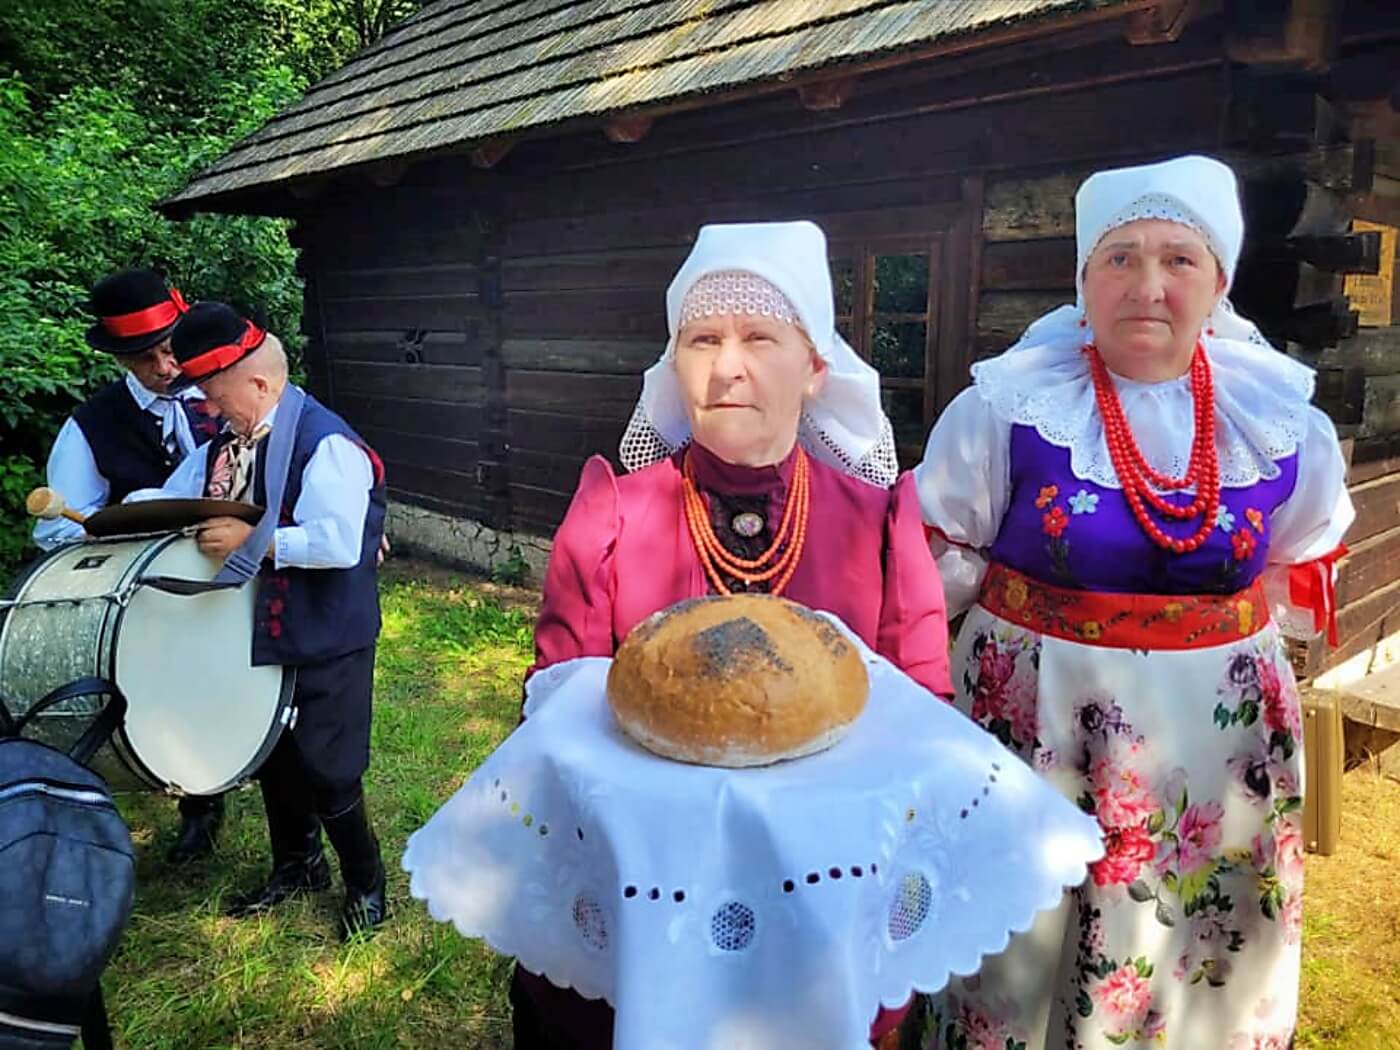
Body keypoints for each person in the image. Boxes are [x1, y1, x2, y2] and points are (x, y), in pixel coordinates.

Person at [914, 155, 1353, 1049]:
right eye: (1119, 258)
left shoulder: (1279, 423)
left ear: (1219, 280)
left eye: (1178, 259)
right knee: (1018, 953)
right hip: (1037, 726)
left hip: (1214, 744)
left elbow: (1296, 559)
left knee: (1194, 955)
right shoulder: (1007, 409)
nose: (1147, 285)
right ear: (1083, 279)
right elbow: (938, 556)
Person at [511, 221, 953, 1048]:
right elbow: (557, 721)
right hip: (644, 908)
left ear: (817, 367)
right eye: (702, 339)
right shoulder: (611, 513)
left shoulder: (879, 524)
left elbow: (922, 727)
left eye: (760, 337)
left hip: (824, 910)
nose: (727, 366)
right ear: (674, 368)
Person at [133, 301, 390, 940]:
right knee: (272, 752)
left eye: (217, 397)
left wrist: (258, 541)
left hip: (331, 633)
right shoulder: (231, 441)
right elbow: (176, 494)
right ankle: (298, 865)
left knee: (330, 768)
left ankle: (365, 879)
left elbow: (340, 543)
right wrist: (129, 515)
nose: (211, 413)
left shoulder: (324, 441)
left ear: (258, 383)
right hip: (263, 626)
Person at [36, 267, 225, 864]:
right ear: (120, 358)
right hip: (150, 587)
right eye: (146, 358)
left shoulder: (226, 390)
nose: (166, 368)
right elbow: (56, 529)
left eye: (170, 349)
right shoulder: (90, 426)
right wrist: (122, 520)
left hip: (237, 571)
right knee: (172, 684)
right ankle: (197, 796)